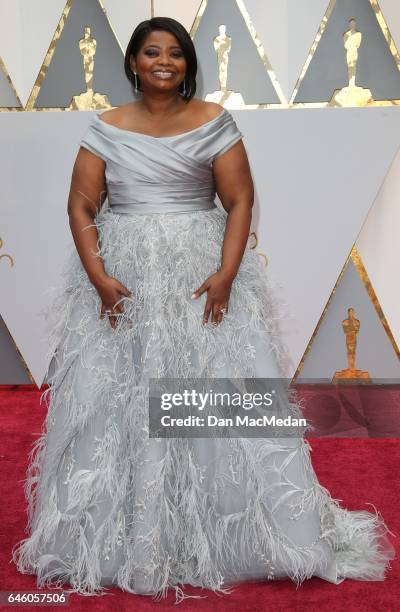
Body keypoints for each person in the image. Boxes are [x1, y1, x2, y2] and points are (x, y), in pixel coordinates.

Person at [11, 17, 395, 604]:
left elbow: (239, 200)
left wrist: (225, 275)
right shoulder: (105, 128)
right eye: (151, 52)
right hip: (128, 287)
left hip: (198, 282)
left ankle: (227, 532)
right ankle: (129, 536)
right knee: (119, 403)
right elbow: (81, 203)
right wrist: (100, 279)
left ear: (189, 64)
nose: (163, 62)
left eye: (175, 54)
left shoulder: (215, 121)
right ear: (134, 62)